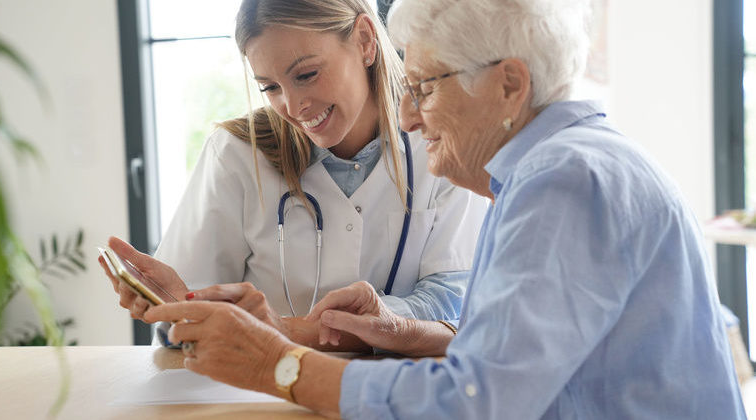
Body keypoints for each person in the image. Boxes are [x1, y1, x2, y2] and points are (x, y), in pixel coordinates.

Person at [138, 0, 747, 418]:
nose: (404, 115)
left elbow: (475, 402)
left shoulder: (564, 183)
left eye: (426, 87)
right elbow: (515, 358)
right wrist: (409, 333)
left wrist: (281, 366)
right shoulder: (556, 169)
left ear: (509, 84)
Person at [102, 0, 486, 346]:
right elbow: (188, 320)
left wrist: (289, 331)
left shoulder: (438, 142)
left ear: (366, 40)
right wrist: (171, 306)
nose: (293, 105)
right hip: (265, 394)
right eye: (270, 87)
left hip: (396, 393)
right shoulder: (235, 155)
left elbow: (453, 302)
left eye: (306, 75)